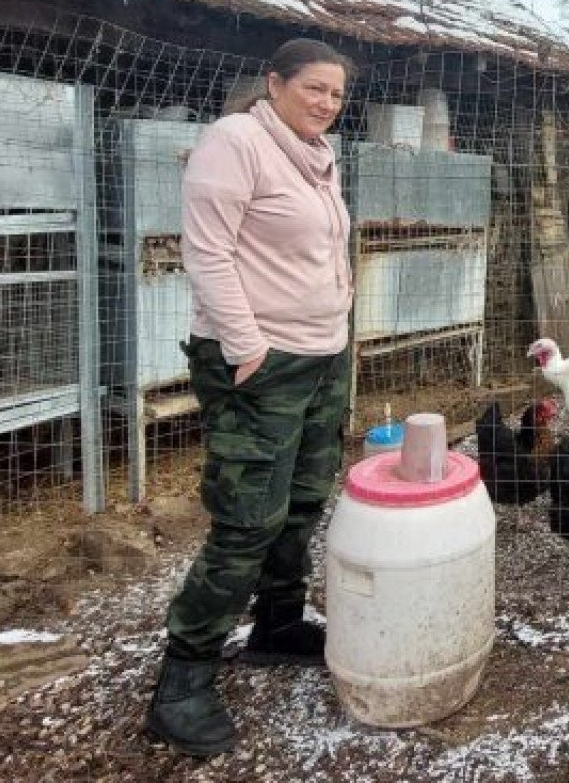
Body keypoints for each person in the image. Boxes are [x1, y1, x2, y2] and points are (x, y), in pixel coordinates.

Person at [146, 38, 356, 758]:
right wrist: (245, 348)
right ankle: (184, 677)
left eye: (336, 93)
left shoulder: (321, 158)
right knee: (246, 517)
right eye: (314, 88)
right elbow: (206, 251)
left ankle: (278, 625)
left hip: (322, 356)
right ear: (274, 83)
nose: (326, 102)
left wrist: (337, 326)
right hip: (259, 362)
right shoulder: (235, 142)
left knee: (303, 498)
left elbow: (321, 252)